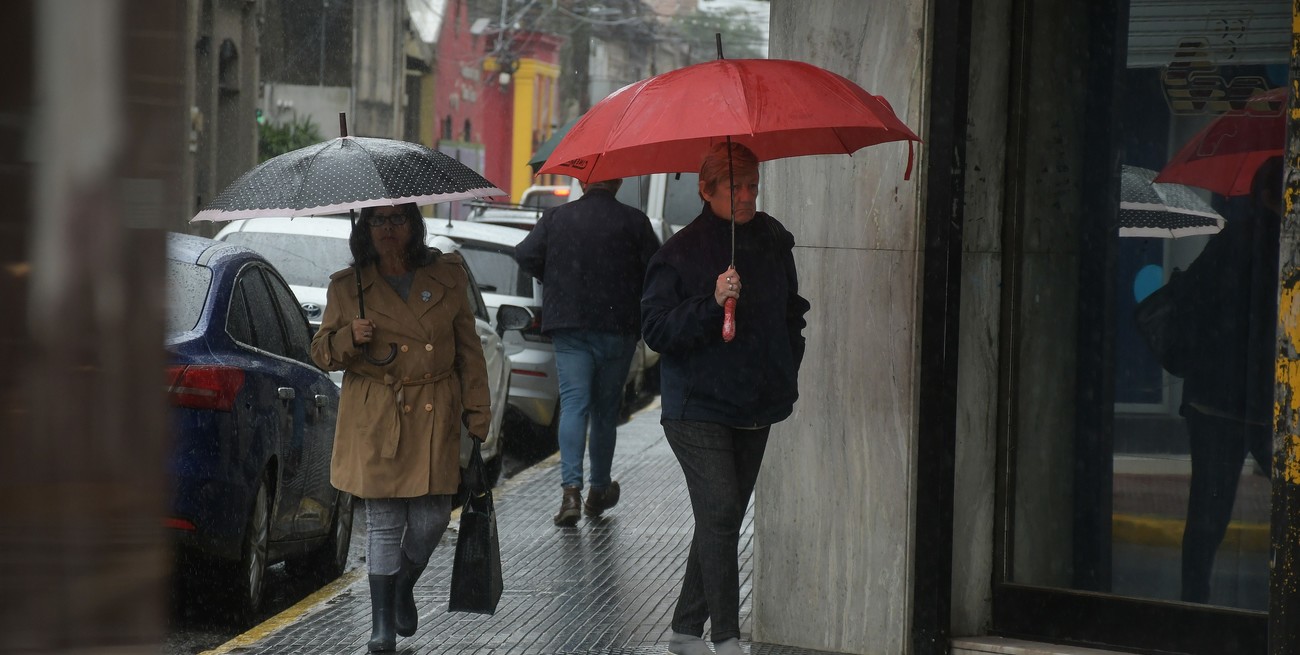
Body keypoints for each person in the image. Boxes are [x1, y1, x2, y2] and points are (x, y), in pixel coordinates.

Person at [640, 142, 810, 655]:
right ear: (705, 188)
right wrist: (711, 304)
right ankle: (727, 638)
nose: (747, 196)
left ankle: (686, 631)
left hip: (757, 402)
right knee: (720, 510)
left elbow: (791, 312)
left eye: (753, 186)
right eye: (735, 187)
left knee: (723, 515)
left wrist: (786, 361)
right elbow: (655, 329)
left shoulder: (772, 238)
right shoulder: (679, 253)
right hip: (697, 405)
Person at [310, 202, 492, 652]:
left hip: (434, 408)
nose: (387, 229)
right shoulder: (348, 287)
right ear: (365, 228)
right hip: (377, 413)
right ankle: (381, 625)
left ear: (413, 225)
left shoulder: (447, 276)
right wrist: (350, 335)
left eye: (397, 219)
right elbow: (320, 353)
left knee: (432, 518)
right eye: (377, 220)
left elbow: (469, 350)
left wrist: (477, 410)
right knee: (384, 522)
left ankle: (402, 586)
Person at [514, 177, 660, 526]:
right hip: (618, 330)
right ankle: (598, 490)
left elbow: (524, 255)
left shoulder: (557, 218)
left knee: (574, 405)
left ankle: (570, 493)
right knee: (605, 412)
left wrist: (555, 274)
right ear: (619, 181)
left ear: (582, 179)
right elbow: (656, 268)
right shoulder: (633, 221)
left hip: (570, 326)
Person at [1176, 156, 1281, 604]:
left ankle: (1193, 607)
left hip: (1216, 401)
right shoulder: (1279, 246)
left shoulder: (1228, 241)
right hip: (1256, 403)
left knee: (1207, 515)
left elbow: (1194, 305)